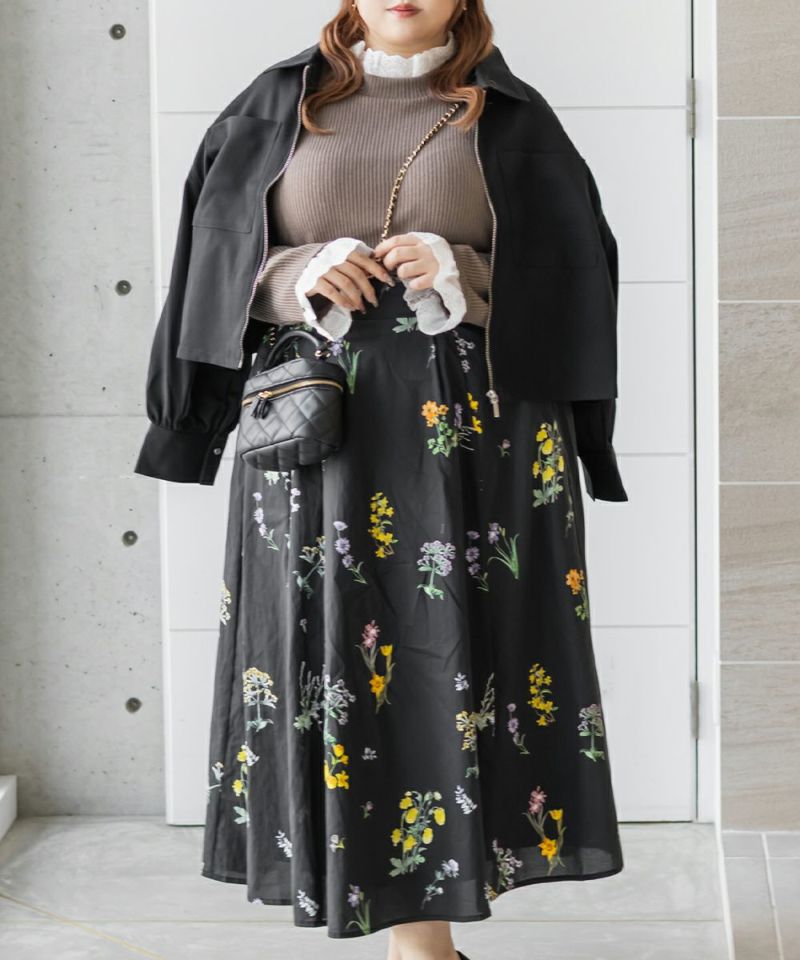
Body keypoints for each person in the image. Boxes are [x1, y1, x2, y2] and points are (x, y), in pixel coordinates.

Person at [136, 2, 628, 958]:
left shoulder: (513, 116)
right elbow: (210, 265)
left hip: (477, 438)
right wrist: (299, 277)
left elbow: (579, 279)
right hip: (317, 444)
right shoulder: (275, 104)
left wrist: (462, 272)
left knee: (448, 663)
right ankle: (421, 946)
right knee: (341, 667)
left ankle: (422, 947)